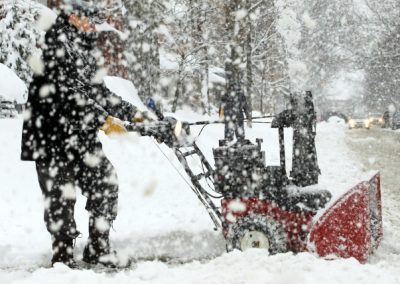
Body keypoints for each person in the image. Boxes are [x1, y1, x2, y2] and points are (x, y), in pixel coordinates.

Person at [21, 1, 145, 268]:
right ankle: (62, 257)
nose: (95, 25)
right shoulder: (56, 44)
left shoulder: (83, 48)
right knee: (61, 199)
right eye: (91, 19)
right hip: (51, 138)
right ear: (75, 17)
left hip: (79, 137)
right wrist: (104, 121)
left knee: (105, 181)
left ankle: (99, 248)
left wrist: (133, 113)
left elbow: (98, 91)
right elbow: (67, 95)